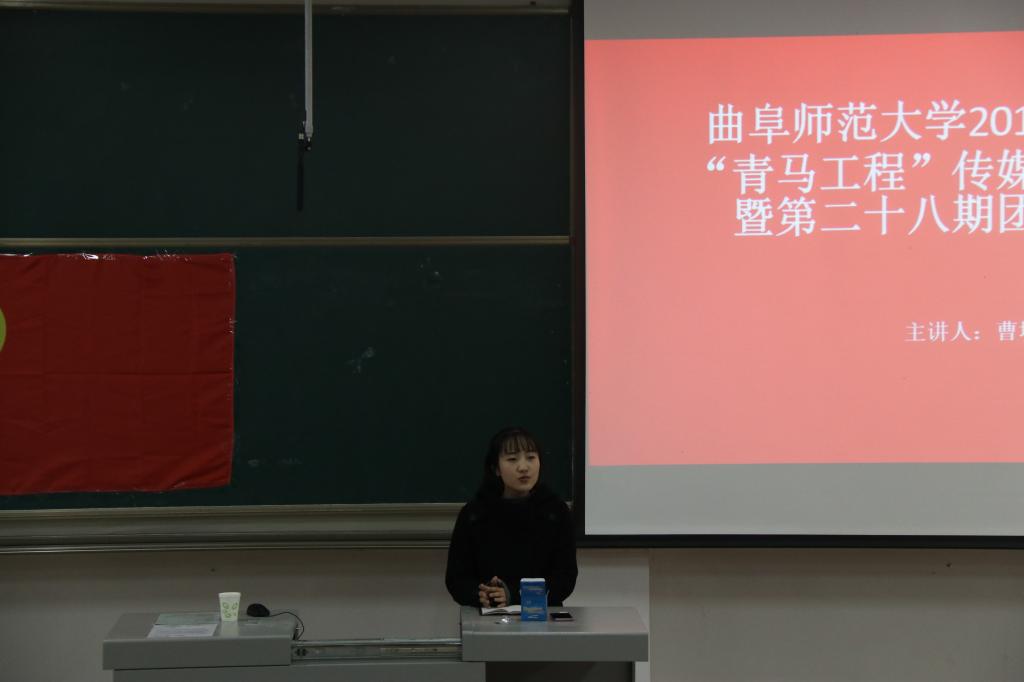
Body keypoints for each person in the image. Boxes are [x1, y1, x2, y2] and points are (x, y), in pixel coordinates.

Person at [445, 427, 578, 608]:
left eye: (531, 457)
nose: (523, 467)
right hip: (487, 616)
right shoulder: (475, 515)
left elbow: (565, 578)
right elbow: (456, 579)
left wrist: (515, 595)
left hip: (541, 615)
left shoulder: (555, 512)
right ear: (496, 469)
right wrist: (480, 594)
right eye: (512, 459)